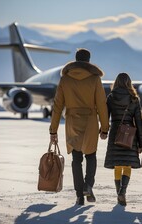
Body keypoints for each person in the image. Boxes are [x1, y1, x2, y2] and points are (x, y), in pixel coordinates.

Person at [49, 48, 109, 205]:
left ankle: (79, 195)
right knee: (91, 155)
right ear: (88, 61)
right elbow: (102, 104)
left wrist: (53, 130)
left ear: (76, 60)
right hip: (90, 121)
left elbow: (57, 106)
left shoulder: (65, 79)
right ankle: (88, 185)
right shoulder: (95, 79)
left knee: (76, 159)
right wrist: (105, 127)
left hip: (72, 121)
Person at [104, 73, 142, 206]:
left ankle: (119, 193)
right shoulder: (134, 99)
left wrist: (104, 130)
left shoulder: (111, 97)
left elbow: (105, 117)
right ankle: (123, 191)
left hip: (115, 131)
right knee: (127, 164)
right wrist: (141, 142)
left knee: (117, 164)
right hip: (130, 134)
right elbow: (138, 121)